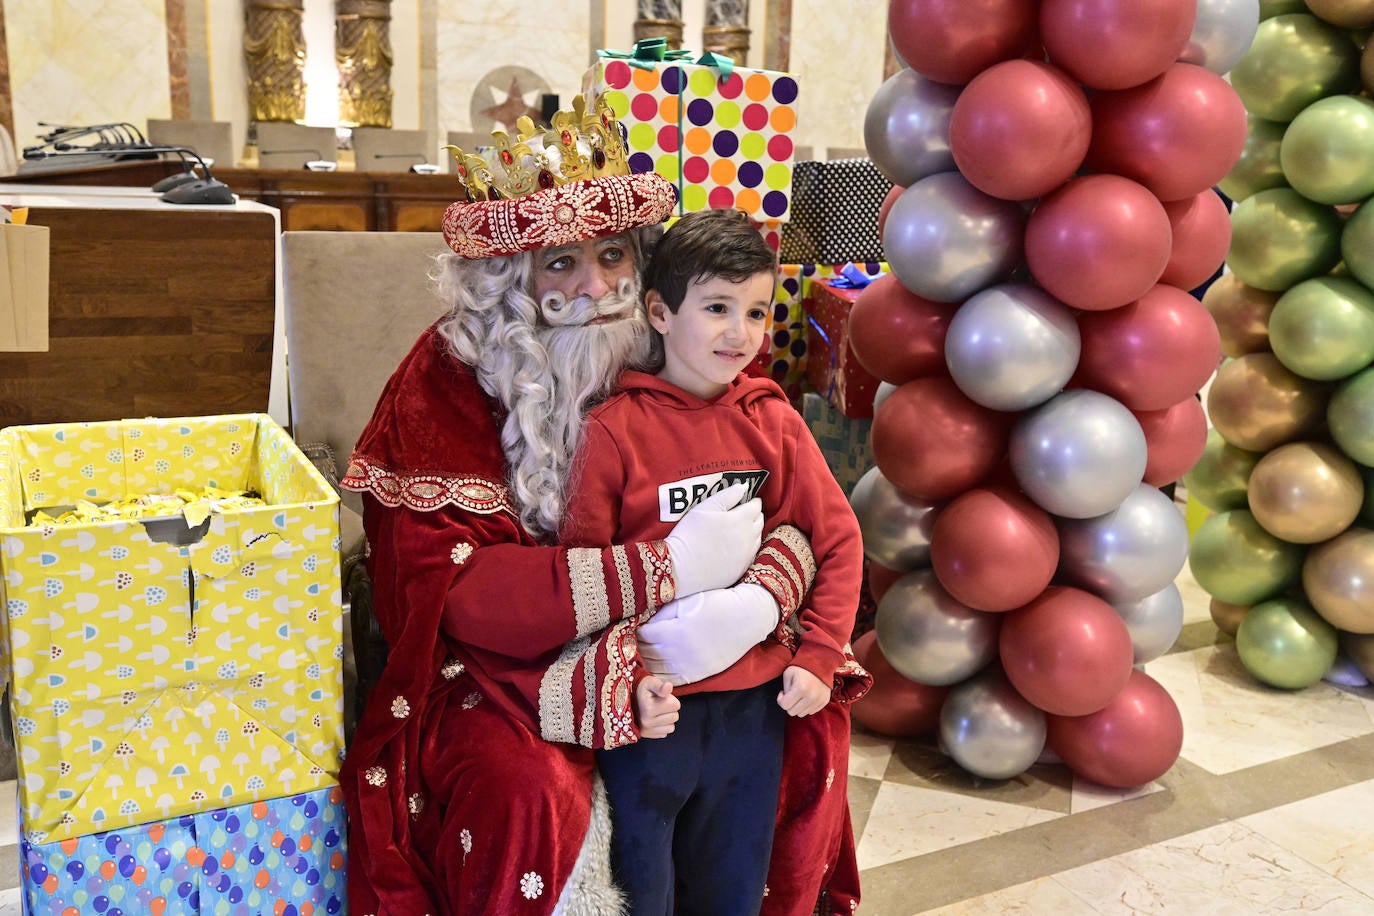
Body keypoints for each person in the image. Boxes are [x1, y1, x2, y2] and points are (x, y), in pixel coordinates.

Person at [338, 95, 865, 915]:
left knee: (803, 728)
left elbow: (785, 491)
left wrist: (761, 594)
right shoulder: (446, 378)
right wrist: (664, 571)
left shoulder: (674, 339)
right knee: (525, 790)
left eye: (615, 255)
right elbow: (449, 588)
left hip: (690, 631)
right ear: (511, 280)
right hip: (503, 660)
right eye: (561, 264)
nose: (596, 287)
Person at [560, 207, 867, 913]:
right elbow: (586, 581)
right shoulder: (612, 432)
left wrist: (819, 656)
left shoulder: (773, 421)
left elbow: (838, 540)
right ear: (660, 313)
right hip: (654, 719)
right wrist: (627, 681)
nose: (741, 332)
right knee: (646, 889)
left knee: (733, 889)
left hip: (755, 712)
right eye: (718, 308)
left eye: (756, 311)